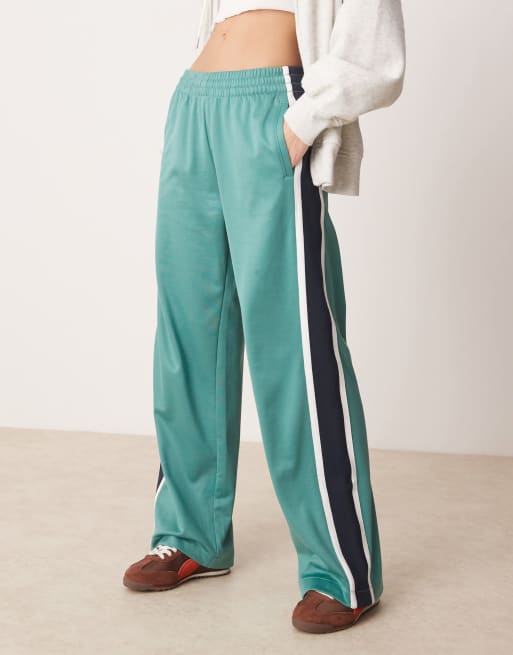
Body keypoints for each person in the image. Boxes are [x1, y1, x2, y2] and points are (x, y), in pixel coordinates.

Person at [123, 0, 406, 634]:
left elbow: (376, 53)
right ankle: (190, 532)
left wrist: (302, 120)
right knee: (188, 333)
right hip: (194, 104)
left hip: (273, 105)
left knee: (295, 342)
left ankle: (341, 568)